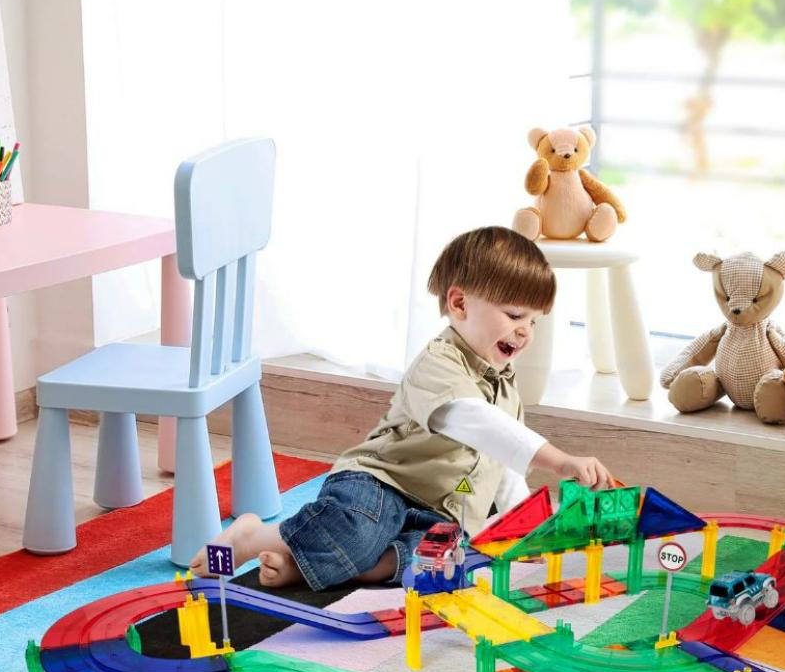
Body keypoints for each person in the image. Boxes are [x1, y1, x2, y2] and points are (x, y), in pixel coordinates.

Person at [191, 226, 616, 589]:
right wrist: (559, 461)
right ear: (460, 304)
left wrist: (523, 526)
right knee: (360, 530)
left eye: (534, 321)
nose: (525, 332)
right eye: (514, 315)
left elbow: (503, 466)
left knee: (452, 556)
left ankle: (320, 568)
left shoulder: (504, 386)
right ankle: (256, 538)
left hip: (439, 508)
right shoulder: (439, 363)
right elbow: (477, 422)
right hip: (381, 483)